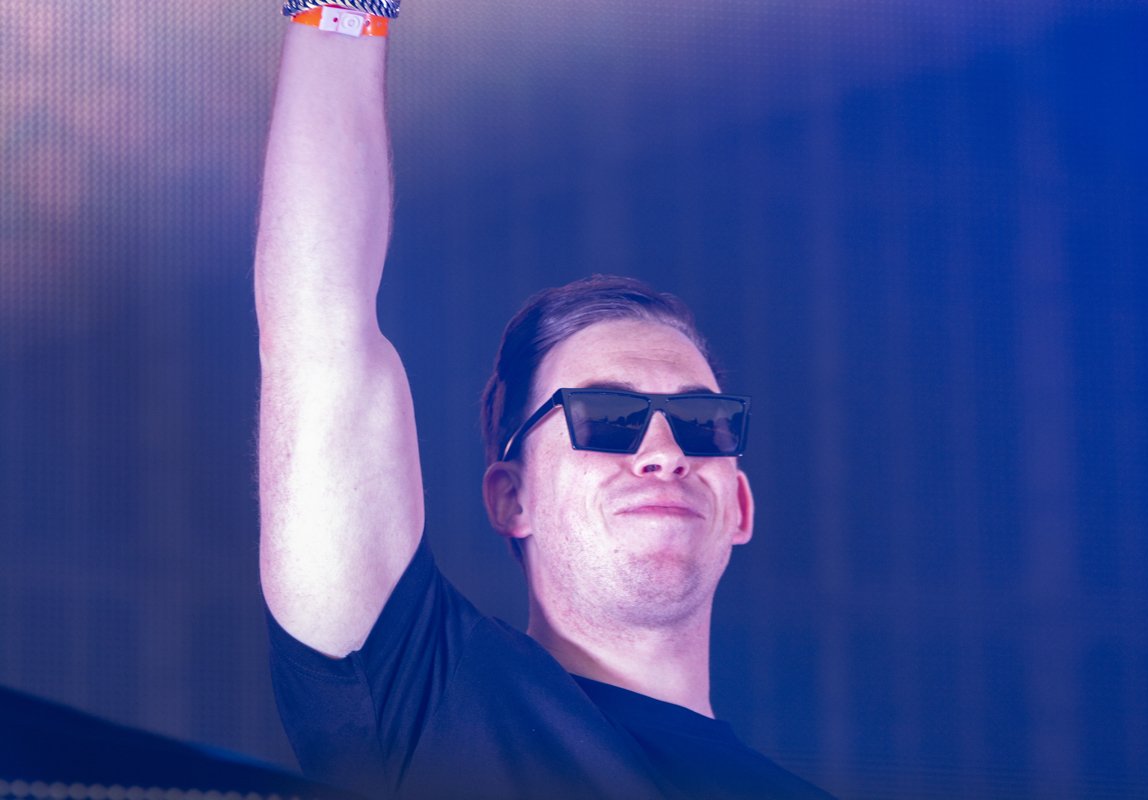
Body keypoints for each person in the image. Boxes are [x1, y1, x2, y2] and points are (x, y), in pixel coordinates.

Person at [255, 3, 833, 798]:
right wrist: (346, 10)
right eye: (608, 418)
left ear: (739, 505)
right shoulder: (423, 700)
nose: (664, 451)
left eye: (702, 423)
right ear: (511, 496)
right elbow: (320, 328)